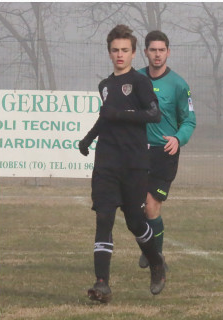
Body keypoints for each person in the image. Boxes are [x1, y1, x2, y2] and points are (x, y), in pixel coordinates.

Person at [78, 24, 165, 302]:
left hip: (134, 163)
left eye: (125, 50)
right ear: (109, 52)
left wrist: (122, 113)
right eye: (115, 50)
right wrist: (88, 139)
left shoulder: (140, 82)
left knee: (135, 221)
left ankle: (156, 263)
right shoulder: (105, 85)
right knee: (104, 218)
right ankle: (101, 284)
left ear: (133, 52)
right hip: (106, 162)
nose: (119, 55)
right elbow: (106, 117)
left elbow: (153, 115)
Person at [136, 30, 197, 269]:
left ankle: (155, 257)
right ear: (145, 52)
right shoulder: (135, 79)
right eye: (153, 50)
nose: (157, 54)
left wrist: (178, 139)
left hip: (165, 152)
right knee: (135, 205)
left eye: (162, 50)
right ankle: (149, 245)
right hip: (137, 152)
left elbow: (189, 120)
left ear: (168, 52)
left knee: (152, 204)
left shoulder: (179, 85)